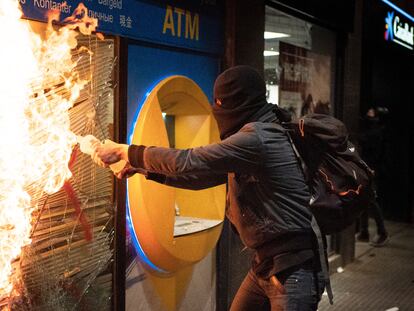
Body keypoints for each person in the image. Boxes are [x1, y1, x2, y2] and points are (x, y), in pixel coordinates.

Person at [93, 66, 326, 310]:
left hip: (294, 271)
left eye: (220, 102)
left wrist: (126, 150)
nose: (217, 110)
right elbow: (202, 177)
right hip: (267, 266)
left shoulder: (257, 138)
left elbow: (188, 160)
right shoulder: (262, 131)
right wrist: (143, 169)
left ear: (237, 102)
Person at [357, 107, 389, 247]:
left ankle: (382, 233)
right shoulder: (375, 129)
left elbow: (368, 144)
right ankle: (364, 232)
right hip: (367, 167)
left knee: (370, 200)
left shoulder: (377, 132)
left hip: (370, 168)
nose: (367, 114)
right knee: (363, 200)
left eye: (370, 112)